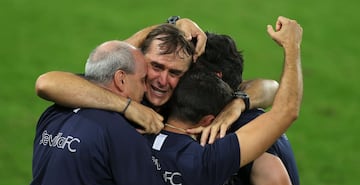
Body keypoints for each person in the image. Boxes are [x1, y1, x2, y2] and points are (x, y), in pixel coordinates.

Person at [5, 40, 229, 185]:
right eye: (142, 80)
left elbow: (93, 74)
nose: (146, 88)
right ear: (121, 80)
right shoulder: (119, 132)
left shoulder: (53, 113)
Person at [119, 16, 304, 185]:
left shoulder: (248, 135)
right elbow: (113, 65)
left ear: (209, 79)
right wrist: (173, 25)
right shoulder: (208, 112)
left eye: (182, 73)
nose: (171, 81)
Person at [34, 19, 278, 135]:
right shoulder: (124, 88)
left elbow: (271, 87)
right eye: (156, 67)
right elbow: (47, 83)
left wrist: (237, 104)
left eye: (174, 72)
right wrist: (129, 107)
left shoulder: (186, 97)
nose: (162, 80)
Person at [184, 20, 304, 185]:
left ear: (214, 77)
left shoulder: (251, 137)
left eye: (188, 71)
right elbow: (266, 86)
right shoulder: (235, 111)